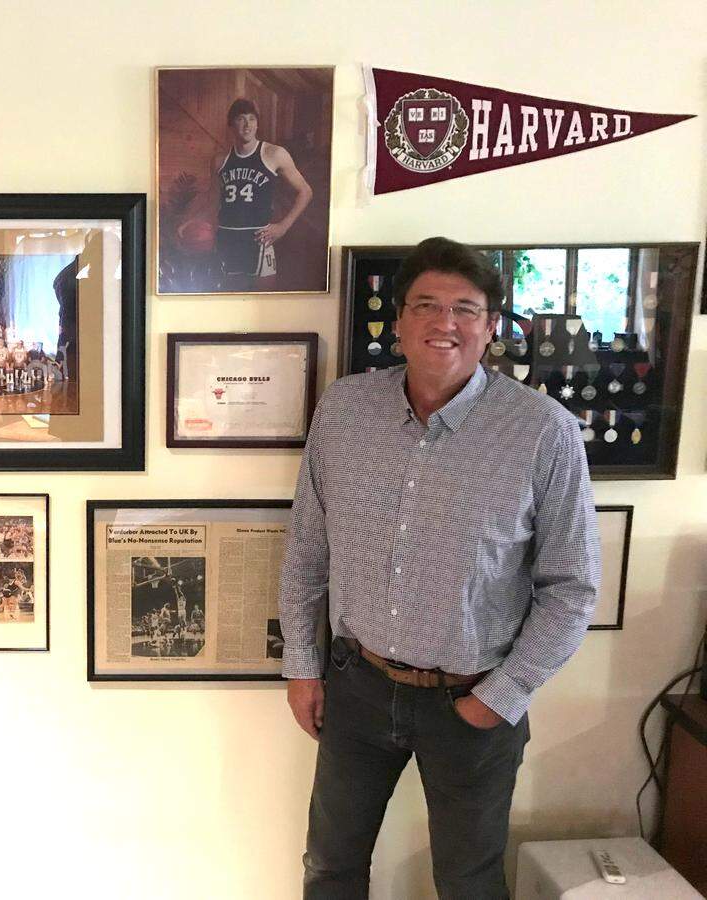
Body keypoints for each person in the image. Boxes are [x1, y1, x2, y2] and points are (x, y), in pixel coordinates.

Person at [278, 237, 600, 899]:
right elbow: (308, 549)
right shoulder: (344, 411)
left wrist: (503, 695)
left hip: (473, 697)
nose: (443, 322)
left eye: (464, 308)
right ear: (396, 321)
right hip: (357, 685)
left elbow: (571, 588)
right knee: (330, 868)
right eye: (425, 304)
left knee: (469, 881)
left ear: (490, 327)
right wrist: (302, 664)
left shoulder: (544, 432)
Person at [210, 98, 312, 288]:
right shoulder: (220, 160)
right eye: (241, 119)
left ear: (257, 123)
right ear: (231, 125)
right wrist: (191, 222)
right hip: (227, 238)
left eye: (252, 119)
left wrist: (284, 226)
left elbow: (306, 191)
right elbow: (212, 201)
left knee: (263, 302)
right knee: (229, 300)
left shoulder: (274, 154)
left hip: (258, 238)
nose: (247, 125)